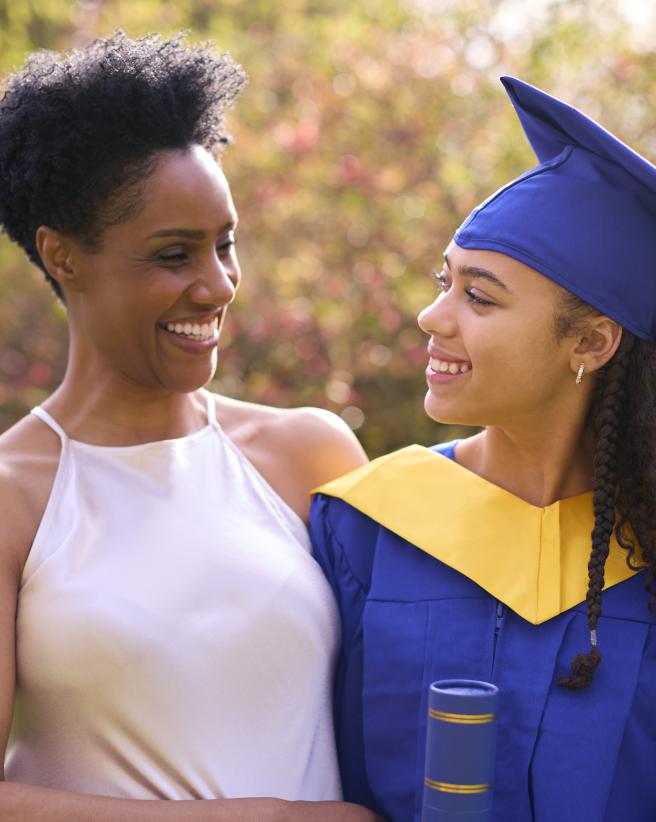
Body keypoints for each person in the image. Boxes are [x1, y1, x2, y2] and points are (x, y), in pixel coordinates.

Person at [0, 32, 381, 822]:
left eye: (226, 244)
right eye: (174, 255)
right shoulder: (14, 499)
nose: (217, 287)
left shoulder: (308, 455)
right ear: (63, 256)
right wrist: (266, 819)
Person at [310, 76, 656, 822]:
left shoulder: (643, 548)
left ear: (590, 342)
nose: (432, 315)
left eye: (480, 296)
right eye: (445, 282)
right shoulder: (367, 528)